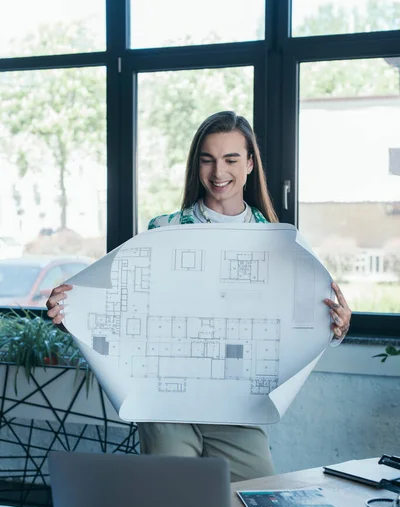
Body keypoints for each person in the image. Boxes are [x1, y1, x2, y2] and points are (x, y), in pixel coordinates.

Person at [46, 111, 351, 482]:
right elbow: (126, 310)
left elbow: (300, 322)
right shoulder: (164, 231)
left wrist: (335, 328)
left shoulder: (281, 241)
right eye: (207, 159)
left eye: (231, 159)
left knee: (258, 496)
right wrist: (71, 312)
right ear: (196, 165)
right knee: (173, 502)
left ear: (251, 163)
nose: (218, 172)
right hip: (165, 401)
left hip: (238, 405)